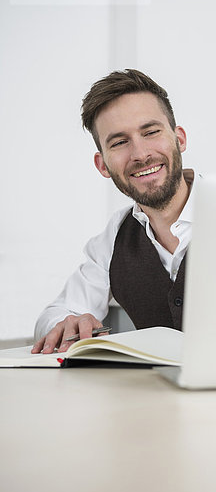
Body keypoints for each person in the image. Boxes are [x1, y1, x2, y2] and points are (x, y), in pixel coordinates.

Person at [32, 69, 197, 354]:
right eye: (119, 142)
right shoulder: (114, 238)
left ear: (179, 139)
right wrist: (67, 323)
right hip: (154, 397)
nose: (140, 154)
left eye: (151, 132)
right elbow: (54, 315)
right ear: (103, 165)